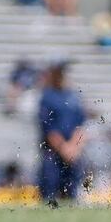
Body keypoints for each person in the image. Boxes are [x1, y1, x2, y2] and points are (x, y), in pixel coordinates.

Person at [37, 63, 86, 206]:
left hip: (73, 153)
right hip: (53, 153)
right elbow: (49, 129)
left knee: (72, 194)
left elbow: (81, 126)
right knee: (50, 194)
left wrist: (74, 148)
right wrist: (64, 148)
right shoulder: (47, 97)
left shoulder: (75, 98)